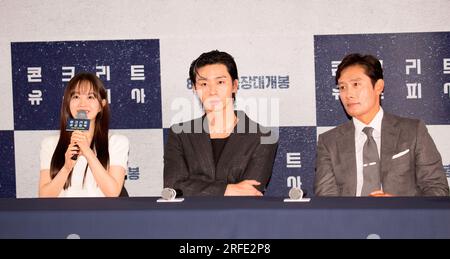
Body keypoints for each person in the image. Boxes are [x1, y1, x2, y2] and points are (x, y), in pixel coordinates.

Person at [314, 53, 449, 197]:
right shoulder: (329, 142)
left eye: (356, 84)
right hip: (351, 219)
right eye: (342, 87)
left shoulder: (413, 131)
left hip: (402, 218)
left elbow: (437, 189)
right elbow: (326, 202)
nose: (348, 94)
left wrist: (396, 208)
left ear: (378, 87)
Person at [164, 50, 278, 196]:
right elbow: (173, 186)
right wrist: (227, 189)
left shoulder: (263, 137)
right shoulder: (180, 133)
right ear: (194, 88)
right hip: (189, 217)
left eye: (220, 82)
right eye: (204, 83)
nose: (212, 91)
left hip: (238, 217)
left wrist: (196, 186)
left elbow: (250, 192)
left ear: (235, 85)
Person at [39, 72, 129, 197]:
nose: (82, 104)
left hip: (101, 214)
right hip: (62, 214)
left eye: (90, 97)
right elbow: (44, 196)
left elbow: (112, 192)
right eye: (76, 97)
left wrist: (87, 151)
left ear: (101, 105)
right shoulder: (50, 143)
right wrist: (66, 168)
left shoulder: (116, 142)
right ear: (67, 103)